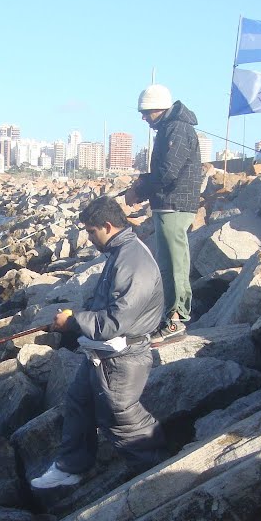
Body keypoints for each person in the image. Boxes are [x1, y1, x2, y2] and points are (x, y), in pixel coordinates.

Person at [30, 196, 165, 489]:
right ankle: (71, 467)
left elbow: (117, 322)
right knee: (79, 402)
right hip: (101, 353)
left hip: (124, 356)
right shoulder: (120, 252)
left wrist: (74, 321)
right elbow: (104, 306)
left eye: (91, 232)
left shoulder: (133, 261)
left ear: (107, 225)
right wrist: (75, 319)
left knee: (121, 416)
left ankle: (157, 472)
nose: (89, 238)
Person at [123, 83, 203, 345]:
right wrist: (141, 185)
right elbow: (164, 171)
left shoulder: (178, 129)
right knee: (167, 264)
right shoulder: (170, 128)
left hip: (175, 204)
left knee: (174, 263)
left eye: (145, 112)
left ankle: (176, 319)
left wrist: (140, 190)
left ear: (158, 109)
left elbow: (169, 172)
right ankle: (170, 315)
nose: (143, 118)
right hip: (167, 204)